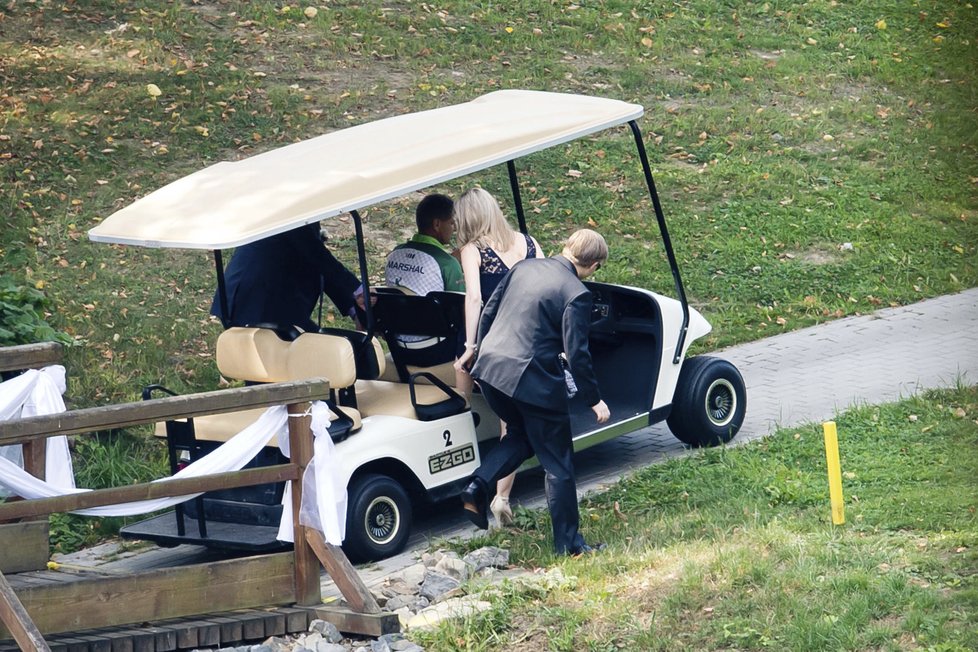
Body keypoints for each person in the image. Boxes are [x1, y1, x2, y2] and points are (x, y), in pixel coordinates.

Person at [459, 229, 611, 556]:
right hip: (531, 379)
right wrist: (593, 398)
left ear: (566, 246)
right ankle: (569, 546)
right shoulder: (576, 293)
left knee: (520, 436)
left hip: (492, 371)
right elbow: (577, 352)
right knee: (558, 463)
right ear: (594, 265)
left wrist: (479, 352)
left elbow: (489, 310)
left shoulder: (522, 268)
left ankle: (477, 486)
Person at [452, 187, 543, 526]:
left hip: (492, 341)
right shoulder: (530, 244)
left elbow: (474, 298)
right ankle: (501, 497)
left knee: (462, 391)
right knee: (512, 425)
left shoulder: (472, 250)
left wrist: (470, 347)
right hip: (526, 340)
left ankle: (462, 424)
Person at [211, 223, 361, 333]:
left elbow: (313, 257)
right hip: (255, 301)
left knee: (326, 353)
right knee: (320, 359)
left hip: (273, 299)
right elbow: (313, 252)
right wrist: (356, 293)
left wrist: (353, 305)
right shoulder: (292, 199)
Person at [385, 194, 463, 295]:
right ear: (437, 224)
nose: (455, 229)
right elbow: (459, 305)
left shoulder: (395, 253)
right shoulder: (448, 265)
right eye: (451, 223)